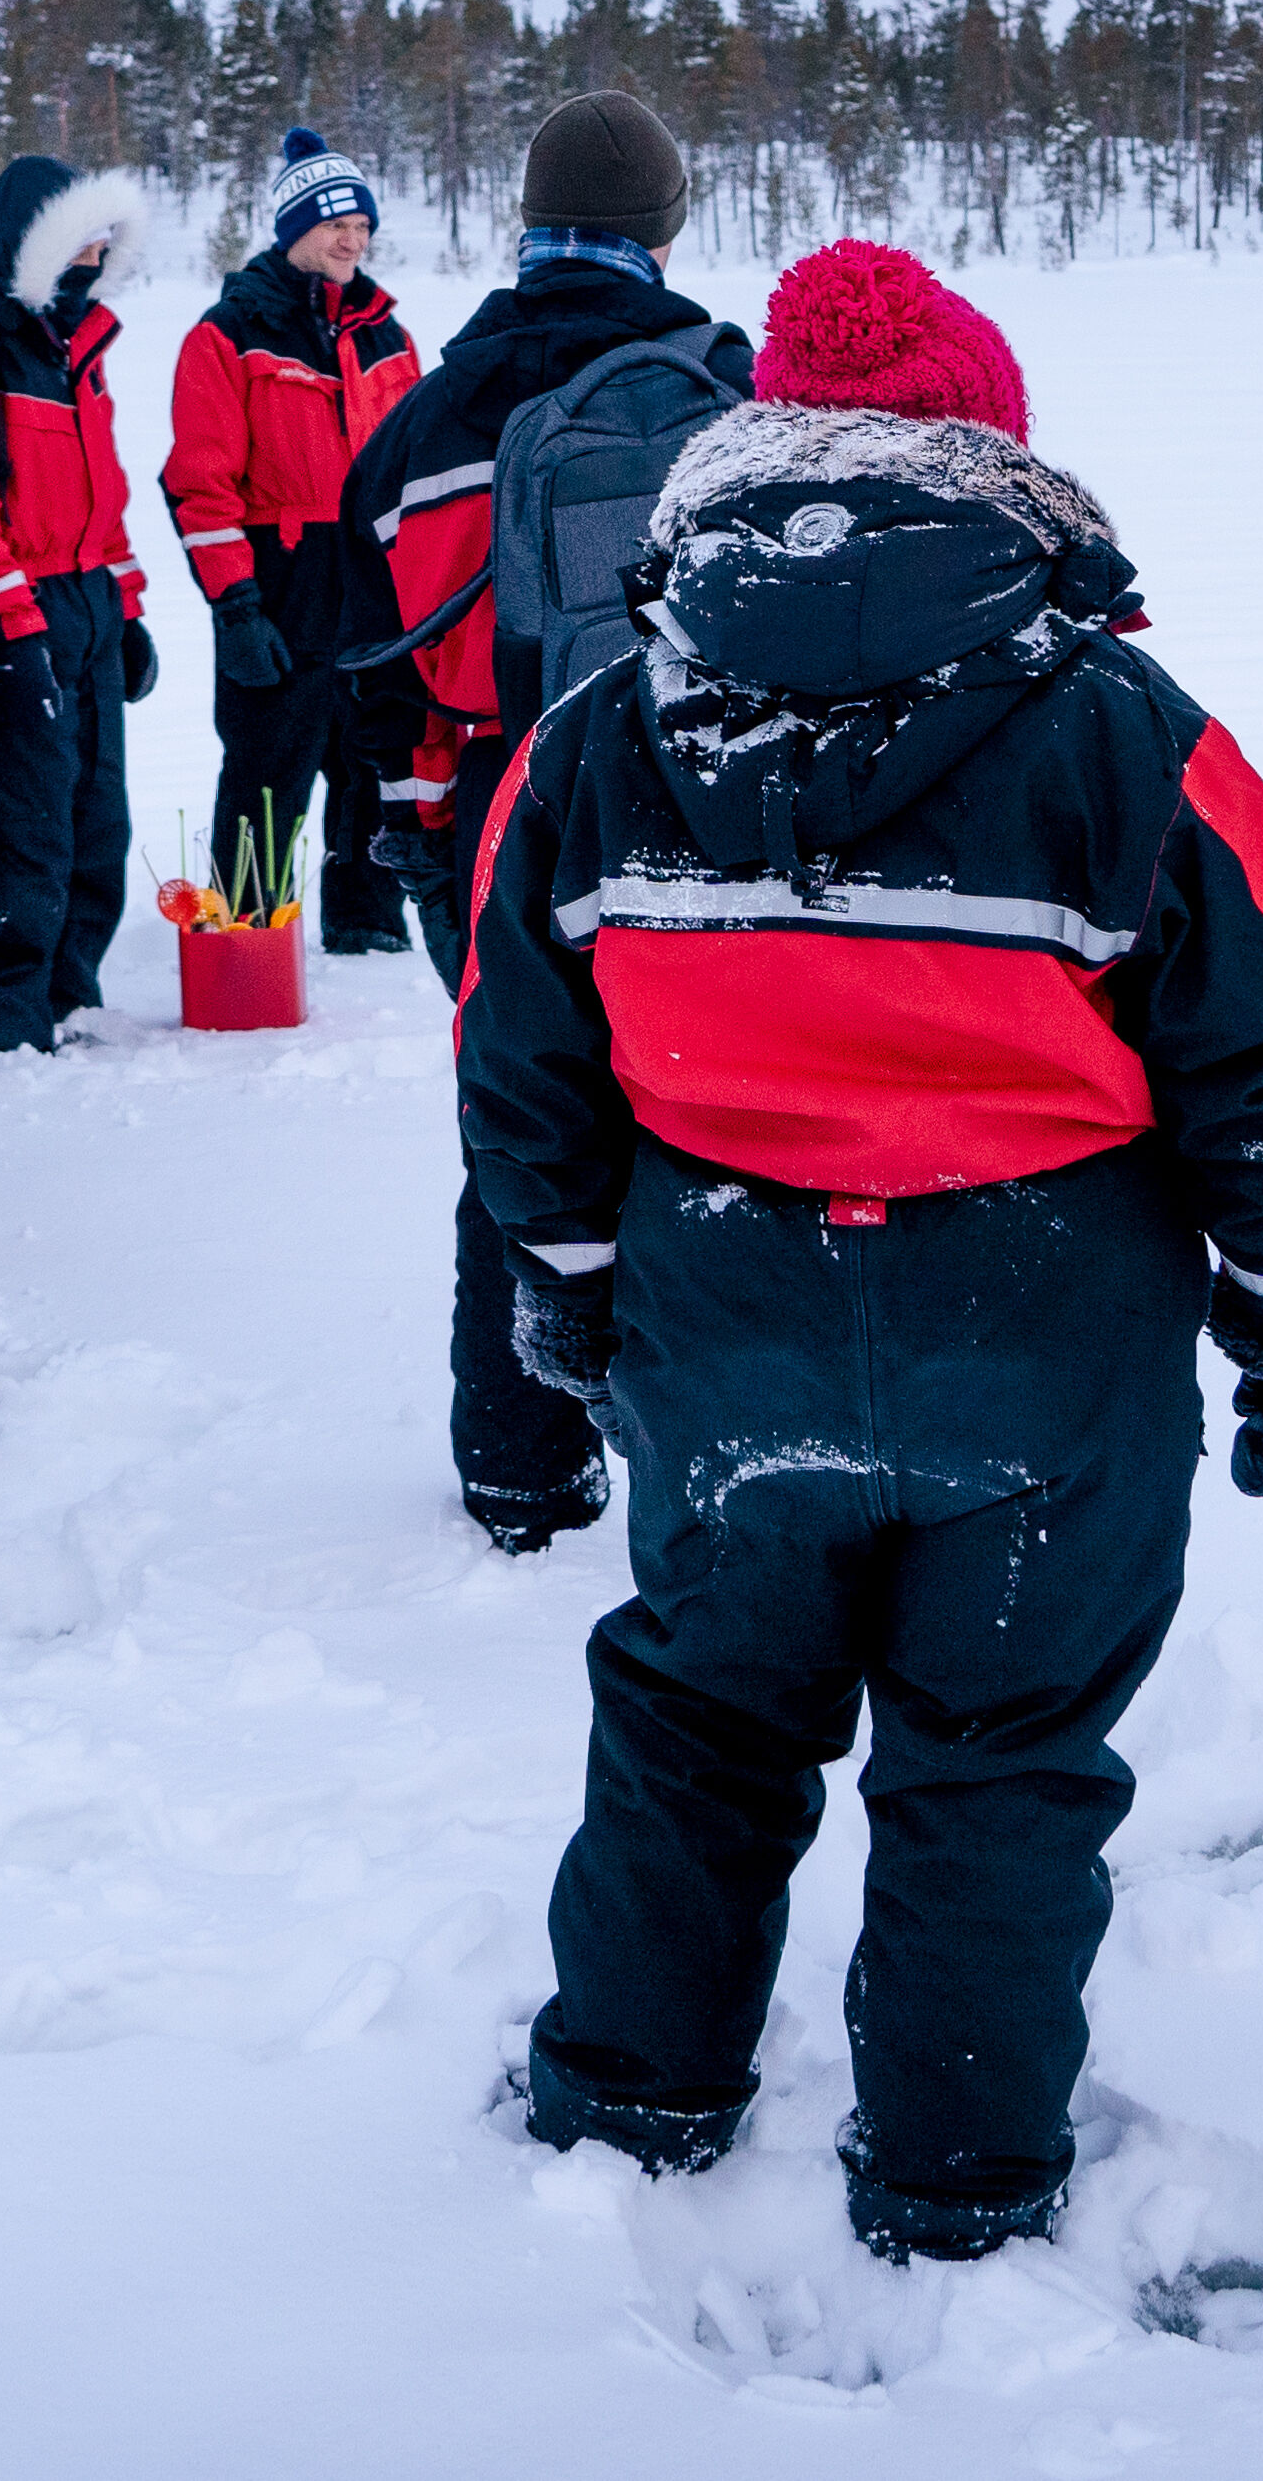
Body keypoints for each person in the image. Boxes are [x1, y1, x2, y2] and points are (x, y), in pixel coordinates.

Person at [458, 239, 1263, 2263]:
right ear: (989, 451)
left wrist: (567, 1275)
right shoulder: (1125, 725)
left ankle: (634, 2092)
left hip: (722, 1306)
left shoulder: (605, 727)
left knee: (703, 1712)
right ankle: (959, 2180)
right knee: (1002, 1747)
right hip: (1044, 1326)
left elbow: (519, 1051)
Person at [336, 89, 751, 1547]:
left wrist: (408, 825)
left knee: (518, 1129)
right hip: (690, 812)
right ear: (660, 228)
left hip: (491, 821)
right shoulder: (724, 393)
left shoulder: (422, 418)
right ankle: (709, 1446)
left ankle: (517, 1465)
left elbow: (365, 662)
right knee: (703, 1125)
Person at [159, 127, 423, 955]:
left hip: (371, 579)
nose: (352, 239)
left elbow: (412, 469)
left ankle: (368, 917)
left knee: (373, 758)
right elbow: (199, 485)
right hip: (281, 580)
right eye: (334, 224)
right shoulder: (228, 333)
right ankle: (247, 927)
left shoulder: (390, 335)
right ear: (292, 230)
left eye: (362, 226)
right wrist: (236, 605)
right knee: (268, 765)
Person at [0, 153, 157, 1056]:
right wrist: (11, 635)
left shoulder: (80, 343)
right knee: (22, 827)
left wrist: (128, 609)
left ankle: (73, 996)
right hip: (15, 610)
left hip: (88, 603)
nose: (94, 257)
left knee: (98, 818)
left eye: (104, 242)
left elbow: (106, 498)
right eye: (78, 240)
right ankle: (4, 1022)